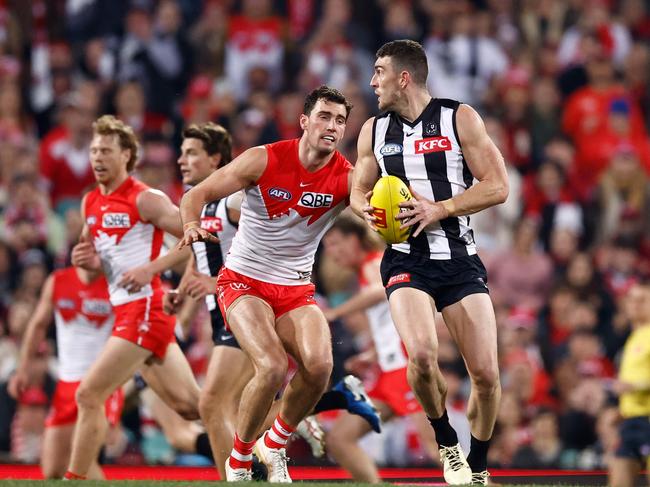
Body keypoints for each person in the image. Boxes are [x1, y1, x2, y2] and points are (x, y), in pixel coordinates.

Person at [128, 120, 380, 478]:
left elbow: (266, 244)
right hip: (225, 309)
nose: (182, 162)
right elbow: (199, 253)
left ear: (215, 160)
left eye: (192, 154)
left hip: (251, 299)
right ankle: (313, 411)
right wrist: (183, 294)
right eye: (182, 154)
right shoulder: (206, 208)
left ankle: (241, 469)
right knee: (207, 406)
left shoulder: (232, 199)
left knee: (217, 402)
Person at [351, 39, 509, 485]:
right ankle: (447, 445)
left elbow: (498, 186)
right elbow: (357, 191)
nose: (372, 81)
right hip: (406, 259)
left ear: (404, 77)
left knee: (485, 375)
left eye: (378, 71)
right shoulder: (373, 131)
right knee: (421, 356)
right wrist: (371, 216)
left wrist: (439, 209)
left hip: (459, 259)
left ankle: (477, 465)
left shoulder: (460, 118)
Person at [179, 86, 355, 482]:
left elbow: (368, 209)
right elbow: (199, 193)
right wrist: (191, 224)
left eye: (340, 120)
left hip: (295, 289)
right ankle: (239, 461)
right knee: (273, 365)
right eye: (324, 116)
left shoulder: (347, 177)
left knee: (320, 365)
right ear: (305, 121)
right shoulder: (263, 158)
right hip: (243, 282)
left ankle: (273, 444)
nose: (332, 126)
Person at [63, 115, 201, 480]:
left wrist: (152, 269)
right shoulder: (89, 202)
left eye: (106, 150)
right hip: (128, 311)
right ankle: (282, 422)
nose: (97, 157)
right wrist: (91, 264)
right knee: (194, 407)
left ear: (126, 155)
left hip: (144, 310)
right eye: (93, 150)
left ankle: (73, 480)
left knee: (89, 395)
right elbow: (99, 266)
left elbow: (194, 239)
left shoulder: (146, 199)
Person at [322, 216, 437, 482]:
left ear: (354, 239)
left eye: (335, 243)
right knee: (340, 439)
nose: (332, 253)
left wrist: (334, 312)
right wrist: (371, 356)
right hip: (387, 371)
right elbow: (392, 322)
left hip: (404, 369)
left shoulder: (375, 261)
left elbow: (379, 291)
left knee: (436, 446)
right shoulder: (368, 267)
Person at [8, 266, 122, 479]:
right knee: (52, 469)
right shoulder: (58, 280)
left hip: (99, 385)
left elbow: (129, 335)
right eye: (82, 244)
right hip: (66, 385)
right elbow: (38, 324)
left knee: (82, 463)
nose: (85, 250)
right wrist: (22, 369)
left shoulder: (117, 283)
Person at [608, 281, 650, 487]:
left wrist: (634, 386)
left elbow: (636, 382)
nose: (635, 305)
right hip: (632, 421)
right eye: (631, 300)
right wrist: (622, 410)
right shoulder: (634, 337)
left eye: (642, 300)